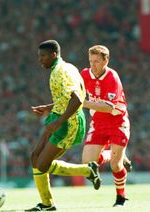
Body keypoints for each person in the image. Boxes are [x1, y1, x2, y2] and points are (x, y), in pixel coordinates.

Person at [26, 40, 101, 211]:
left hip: (68, 123)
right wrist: (49, 107)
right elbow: (68, 97)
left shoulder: (60, 72)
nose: (40, 60)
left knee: (42, 165)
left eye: (43, 56)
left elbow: (77, 99)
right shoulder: (68, 67)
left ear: (53, 55)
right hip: (57, 117)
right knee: (35, 158)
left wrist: (59, 121)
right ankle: (47, 204)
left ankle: (87, 171)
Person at [80, 45, 130, 207]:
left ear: (105, 60)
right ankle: (112, 153)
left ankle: (120, 197)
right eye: (90, 61)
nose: (92, 65)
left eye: (96, 61)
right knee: (87, 163)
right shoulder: (85, 74)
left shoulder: (112, 77)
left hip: (118, 122)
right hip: (98, 122)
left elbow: (109, 107)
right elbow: (75, 94)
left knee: (116, 165)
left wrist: (84, 103)